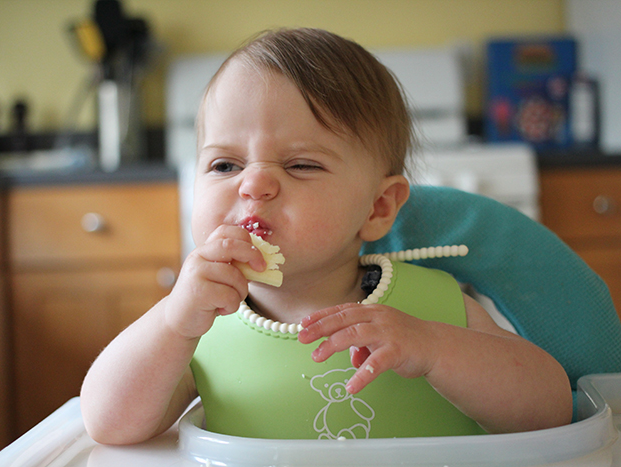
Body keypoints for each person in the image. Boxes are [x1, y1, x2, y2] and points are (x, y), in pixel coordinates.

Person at [80, 28, 572, 445]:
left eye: (301, 165)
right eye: (224, 164)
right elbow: (108, 425)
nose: (252, 183)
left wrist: (434, 348)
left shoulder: (433, 306)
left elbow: (550, 410)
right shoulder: (197, 327)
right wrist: (172, 322)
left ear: (378, 208)